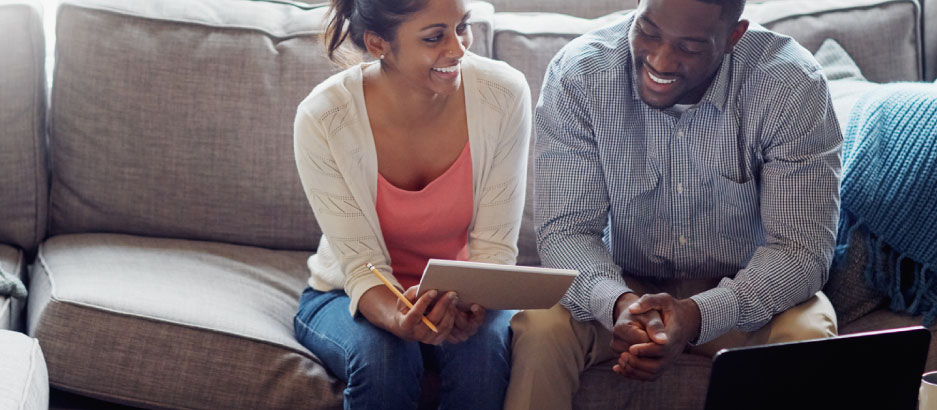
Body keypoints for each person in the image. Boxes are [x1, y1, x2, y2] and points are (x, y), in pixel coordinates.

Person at [504, 0, 842, 408]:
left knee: (809, 331)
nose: (661, 60)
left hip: (741, 297)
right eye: (647, 31)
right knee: (540, 326)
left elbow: (801, 251)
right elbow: (566, 232)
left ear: (734, 37)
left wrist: (699, 315)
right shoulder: (580, 74)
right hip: (622, 288)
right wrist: (618, 304)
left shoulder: (790, 85)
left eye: (691, 47)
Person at [291, 0, 532, 407]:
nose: (458, 49)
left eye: (463, 27)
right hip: (348, 295)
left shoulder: (504, 94)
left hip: (465, 294)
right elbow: (360, 266)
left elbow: (494, 248)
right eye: (434, 37)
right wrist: (401, 320)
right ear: (378, 42)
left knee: (484, 358)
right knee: (384, 358)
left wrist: (469, 304)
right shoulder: (324, 117)